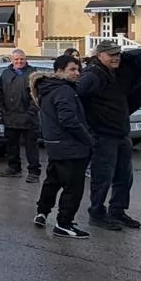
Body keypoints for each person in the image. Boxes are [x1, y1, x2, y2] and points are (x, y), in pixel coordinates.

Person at [76, 41, 141, 231]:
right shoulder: (92, 75)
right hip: (103, 136)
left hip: (121, 133)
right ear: (99, 55)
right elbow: (78, 98)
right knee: (102, 176)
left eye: (118, 54)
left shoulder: (114, 71)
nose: (116, 57)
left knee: (124, 176)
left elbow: (137, 57)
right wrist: (90, 129)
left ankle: (117, 210)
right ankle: (96, 212)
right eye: (111, 54)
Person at [33, 53, 93, 238]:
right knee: (73, 187)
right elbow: (68, 119)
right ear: (59, 71)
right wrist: (88, 139)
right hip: (70, 147)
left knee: (53, 181)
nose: (77, 73)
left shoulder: (48, 88)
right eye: (72, 69)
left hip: (55, 145)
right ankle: (64, 224)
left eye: (79, 69)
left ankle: (42, 212)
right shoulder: (64, 90)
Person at [0, 49, 42, 182]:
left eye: (21, 59)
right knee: (12, 145)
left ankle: (34, 172)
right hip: (10, 116)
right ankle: (14, 167)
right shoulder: (5, 74)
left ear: (25, 59)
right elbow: (0, 92)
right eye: (16, 59)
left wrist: (31, 111)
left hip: (28, 118)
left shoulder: (33, 74)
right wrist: (3, 110)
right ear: (12, 60)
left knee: (31, 147)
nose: (19, 61)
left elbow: (37, 95)